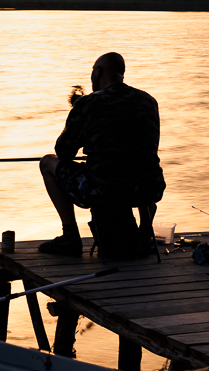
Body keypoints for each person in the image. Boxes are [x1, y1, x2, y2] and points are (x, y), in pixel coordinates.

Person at [38, 52, 165, 258]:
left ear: (98, 72)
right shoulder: (148, 101)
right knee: (140, 165)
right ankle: (144, 232)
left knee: (47, 163)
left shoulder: (89, 104)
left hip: (105, 189)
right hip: (148, 188)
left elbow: (64, 152)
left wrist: (77, 117)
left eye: (92, 72)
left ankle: (70, 236)